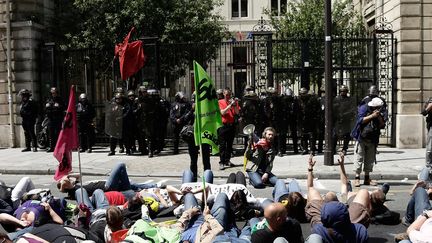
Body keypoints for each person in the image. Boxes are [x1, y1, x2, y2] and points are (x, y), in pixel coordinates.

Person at [351, 97, 386, 187]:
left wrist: (378, 117)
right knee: (359, 158)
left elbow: (382, 125)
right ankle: (357, 178)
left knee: (369, 160)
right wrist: (372, 116)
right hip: (362, 138)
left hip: (372, 139)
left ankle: (367, 178)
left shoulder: (380, 111)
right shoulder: (364, 108)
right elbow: (359, 121)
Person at [182, 93, 211, 181]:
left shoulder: (205, 107)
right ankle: (193, 177)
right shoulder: (189, 107)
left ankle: (207, 178)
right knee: (193, 160)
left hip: (203, 135)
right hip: (193, 136)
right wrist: (192, 110)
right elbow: (185, 119)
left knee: (206, 159)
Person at [218, 88, 240, 170]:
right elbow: (222, 112)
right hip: (223, 125)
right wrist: (229, 105)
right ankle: (222, 162)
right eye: (226, 95)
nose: (228, 96)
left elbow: (237, 112)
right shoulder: (220, 102)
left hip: (231, 125)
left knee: (230, 144)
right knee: (222, 145)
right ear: (223, 94)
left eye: (229, 95)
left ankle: (227, 160)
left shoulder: (234, 102)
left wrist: (234, 105)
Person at [333, 85, 356, 155]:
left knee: (347, 135)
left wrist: (346, 114)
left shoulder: (350, 99)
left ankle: (344, 148)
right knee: (335, 135)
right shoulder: (336, 99)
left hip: (346, 119)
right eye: (342, 91)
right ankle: (333, 148)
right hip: (337, 119)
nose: (343, 92)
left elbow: (352, 109)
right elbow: (333, 109)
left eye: (344, 91)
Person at [298, 87, 321, 155]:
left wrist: (316, 118)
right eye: (302, 93)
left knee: (312, 135)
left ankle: (312, 149)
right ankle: (305, 149)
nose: (303, 95)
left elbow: (317, 109)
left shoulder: (312, 100)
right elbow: (297, 110)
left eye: (304, 93)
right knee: (304, 135)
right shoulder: (299, 100)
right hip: (302, 119)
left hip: (311, 119)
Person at [44, 87, 65, 152]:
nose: (54, 94)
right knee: (51, 133)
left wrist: (59, 106)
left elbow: (64, 107)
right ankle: (51, 147)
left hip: (58, 118)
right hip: (51, 118)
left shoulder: (60, 100)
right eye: (52, 93)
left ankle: (59, 147)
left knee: (58, 133)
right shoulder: (48, 100)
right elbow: (45, 109)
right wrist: (46, 107)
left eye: (55, 93)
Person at [421, 97, 432, 168]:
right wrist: (430, 106)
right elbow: (424, 112)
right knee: (430, 148)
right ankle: (428, 166)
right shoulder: (430, 100)